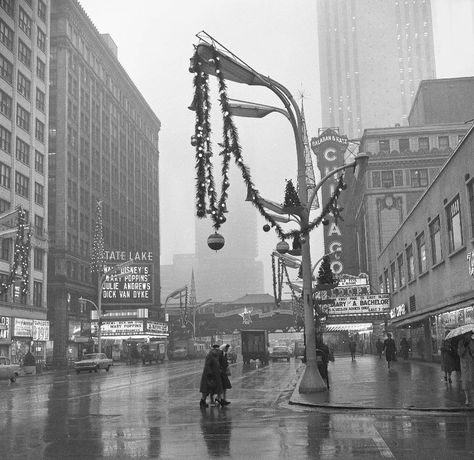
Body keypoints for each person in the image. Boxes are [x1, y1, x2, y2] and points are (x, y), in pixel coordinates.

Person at [457, 331, 474, 406]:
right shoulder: (461, 342)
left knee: (472, 380)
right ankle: (467, 399)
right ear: (465, 334)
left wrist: (471, 349)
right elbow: (460, 353)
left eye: (471, 334)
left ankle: (471, 397)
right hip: (464, 364)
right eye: (469, 334)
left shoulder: (472, 341)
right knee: (465, 381)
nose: (470, 335)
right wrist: (464, 346)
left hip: (472, 363)